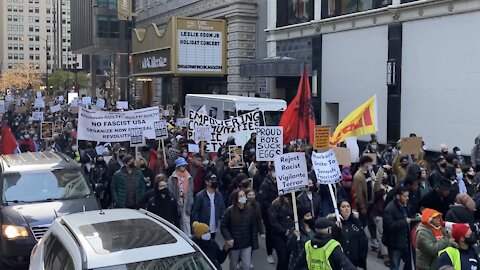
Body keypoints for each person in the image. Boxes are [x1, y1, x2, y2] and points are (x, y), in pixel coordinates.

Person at [221, 190, 258, 270]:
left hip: (246, 243)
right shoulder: (229, 211)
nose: (243, 198)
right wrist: (229, 238)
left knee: (247, 265)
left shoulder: (250, 210)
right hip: (235, 245)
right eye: (240, 196)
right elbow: (223, 226)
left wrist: (254, 242)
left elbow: (253, 226)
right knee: (234, 266)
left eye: (244, 195)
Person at [383, 187, 414, 270]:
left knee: (410, 264)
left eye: (408, 196)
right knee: (395, 266)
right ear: (398, 196)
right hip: (394, 243)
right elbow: (389, 226)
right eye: (405, 196)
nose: (407, 198)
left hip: (406, 242)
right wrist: (404, 222)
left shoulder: (406, 206)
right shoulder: (390, 209)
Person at [333, 200, 368, 269]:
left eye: (348, 206)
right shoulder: (334, 223)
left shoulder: (356, 222)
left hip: (355, 260)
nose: (346, 208)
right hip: (341, 260)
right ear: (339, 209)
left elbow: (363, 239)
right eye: (343, 207)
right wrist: (335, 229)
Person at [191, 174, 225, 239]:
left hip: (214, 228)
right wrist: (196, 227)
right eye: (212, 180)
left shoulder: (219, 195)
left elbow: (222, 210)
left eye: (215, 180)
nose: (214, 182)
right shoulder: (200, 196)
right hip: (203, 229)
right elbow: (195, 212)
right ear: (206, 182)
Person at [168, 157, 194, 236]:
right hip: (177, 199)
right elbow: (170, 189)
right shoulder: (173, 177)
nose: (184, 167)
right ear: (177, 167)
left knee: (186, 219)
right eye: (182, 165)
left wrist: (190, 198)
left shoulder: (189, 177)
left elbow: (191, 188)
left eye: (184, 165)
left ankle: (188, 236)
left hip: (186, 199)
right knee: (177, 218)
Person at [258, 164, 279, 264]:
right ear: (270, 172)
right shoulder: (265, 184)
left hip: (279, 212)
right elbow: (262, 200)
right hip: (268, 213)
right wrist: (273, 206)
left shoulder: (279, 182)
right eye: (274, 171)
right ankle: (269, 253)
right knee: (270, 233)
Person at [269, 195, 295, 270]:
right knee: (282, 258)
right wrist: (284, 231)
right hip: (279, 235)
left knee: (289, 258)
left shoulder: (292, 202)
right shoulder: (275, 205)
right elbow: (273, 222)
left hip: (290, 233)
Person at [287, 206, 315, 270]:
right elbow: (289, 247)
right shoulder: (295, 231)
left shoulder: (315, 229)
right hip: (299, 263)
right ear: (302, 218)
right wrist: (294, 237)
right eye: (307, 216)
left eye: (310, 215)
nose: (310, 218)